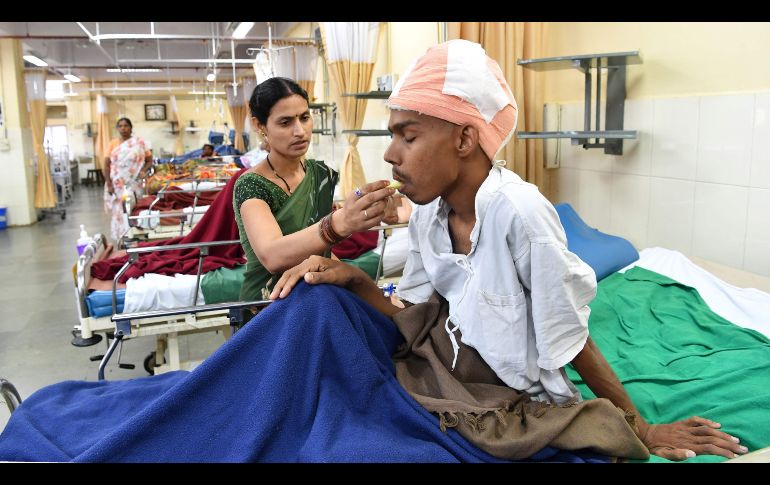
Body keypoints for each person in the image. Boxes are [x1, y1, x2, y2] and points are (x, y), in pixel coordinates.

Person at [267, 40, 748, 461]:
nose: (391, 155)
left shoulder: (518, 213)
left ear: (464, 138)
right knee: (315, 305)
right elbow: (408, 315)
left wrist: (639, 428)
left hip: (491, 389)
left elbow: (569, 337)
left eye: (407, 136)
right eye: (393, 136)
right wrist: (351, 277)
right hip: (438, 366)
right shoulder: (431, 213)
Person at [234, 77, 397, 302]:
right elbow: (272, 256)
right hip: (268, 301)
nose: (299, 131)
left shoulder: (321, 175)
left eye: (304, 117)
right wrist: (341, 222)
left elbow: (321, 253)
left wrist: (363, 288)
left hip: (316, 290)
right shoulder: (252, 185)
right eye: (285, 122)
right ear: (260, 125)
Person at [102, 117, 153, 241]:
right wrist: (109, 184)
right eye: (120, 126)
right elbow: (106, 164)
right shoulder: (113, 144)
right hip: (117, 183)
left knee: (135, 205)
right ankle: (122, 235)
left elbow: (149, 160)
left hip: (134, 182)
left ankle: (136, 232)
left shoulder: (139, 143)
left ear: (131, 128)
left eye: (126, 126)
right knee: (119, 210)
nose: (123, 128)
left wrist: (143, 171)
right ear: (117, 128)